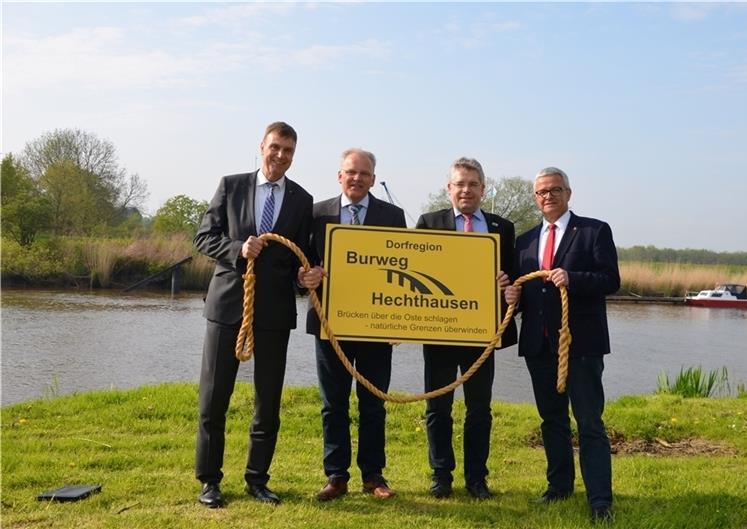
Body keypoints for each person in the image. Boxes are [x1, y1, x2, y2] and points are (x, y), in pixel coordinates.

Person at [194, 121, 323, 508]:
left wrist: (307, 277)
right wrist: (237, 248)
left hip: (274, 313)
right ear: (261, 147)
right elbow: (203, 236)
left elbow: (303, 258)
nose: (280, 156)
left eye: (288, 151)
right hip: (226, 307)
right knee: (214, 398)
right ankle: (210, 481)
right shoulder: (230, 185)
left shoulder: (303, 200)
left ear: (293, 155)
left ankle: (257, 479)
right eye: (275, 147)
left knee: (268, 401)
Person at [504, 166, 620, 523]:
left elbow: (610, 280)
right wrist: (512, 296)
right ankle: (559, 487)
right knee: (551, 419)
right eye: (541, 192)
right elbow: (527, 294)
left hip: (580, 344)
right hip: (538, 345)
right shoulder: (523, 241)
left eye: (555, 190)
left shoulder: (594, 231)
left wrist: (573, 277)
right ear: (535, 198)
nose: (548, 197)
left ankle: (600, 499)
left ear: (568, 193)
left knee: (588, 421)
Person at [306, 148, 406, 501]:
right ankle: (336, 476)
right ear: (340, 175)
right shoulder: (317, 213)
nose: (357, 178)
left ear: (373, 179)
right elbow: (300, 265)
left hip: (376, 325)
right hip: (329, 324)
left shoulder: (393, 215)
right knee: (333, 403)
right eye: (351, 172)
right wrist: (308, 278)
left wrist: (400, 322)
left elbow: (402, 269)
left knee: (372, 403)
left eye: (364, 173)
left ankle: (373, 476)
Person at [415, 157, 517, 500]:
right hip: (441, 331)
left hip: (482, 334)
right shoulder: (429, 223)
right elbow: (416, 274)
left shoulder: (503, 228)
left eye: (473, 184)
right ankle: (441, 475)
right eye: (460, 184)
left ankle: (477, 478)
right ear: (449, 188)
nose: (466, 190)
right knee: (438, 408)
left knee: (479, 409)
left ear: (483, 190)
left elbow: (513, 277)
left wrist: (508, 284)